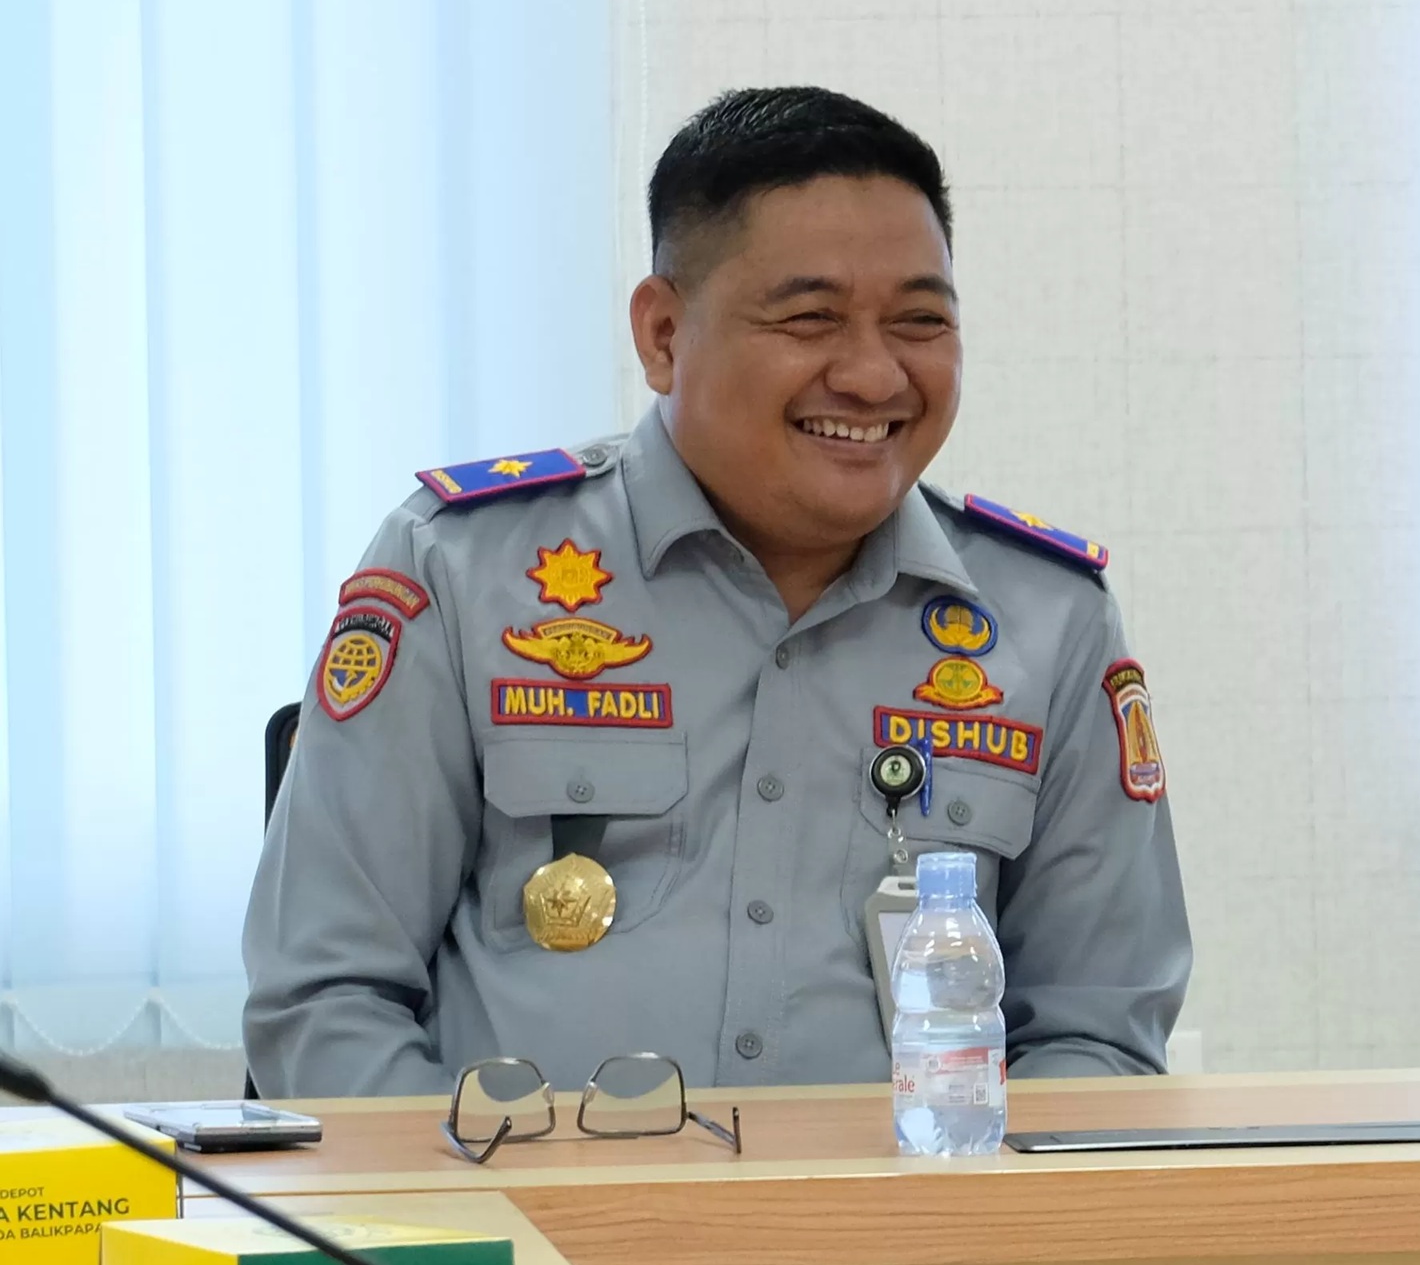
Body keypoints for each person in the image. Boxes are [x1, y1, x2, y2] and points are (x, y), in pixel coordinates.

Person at [245, 87, 1190, 1096]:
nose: (874, 376)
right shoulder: (463, 570)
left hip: (901, 1242)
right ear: (662, 333)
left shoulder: (1046, 619)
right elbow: (328, 998)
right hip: (523, 1235)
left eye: (919, 321)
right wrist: (489, 1236)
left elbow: (1097, 1034)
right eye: (810, 318)